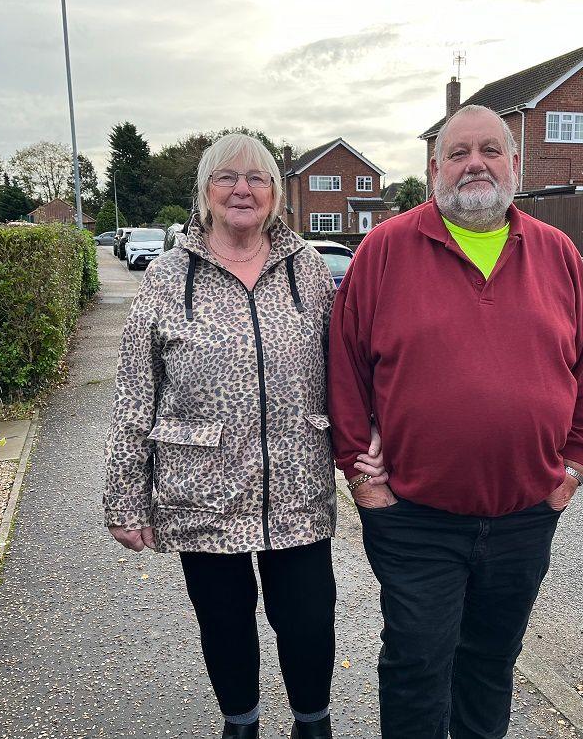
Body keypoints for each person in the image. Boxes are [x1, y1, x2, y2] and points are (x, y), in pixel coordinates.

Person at [327, 105, 583, 738]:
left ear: (516, 164)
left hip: (522, 519)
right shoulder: (385, 250)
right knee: (417, 662)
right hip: (414, 519)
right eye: (458, 153)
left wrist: (572, 467)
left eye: (490, 149)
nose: (475, 164)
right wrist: (362, 476)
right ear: (434, 168)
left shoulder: (557, 255)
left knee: (490, 663)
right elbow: (345, 369)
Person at [105, 133, 386, 739]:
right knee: (225, 622)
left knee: (309, 620)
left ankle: (313, 722)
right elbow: (134, 393)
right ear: (205, 192)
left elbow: (349, 364)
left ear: (276, 195)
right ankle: (241, 721)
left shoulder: (306, 268)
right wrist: (126, 500)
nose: (242, 189)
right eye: (226, 177)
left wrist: (371, 446)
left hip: (295, 489)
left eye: (257, 178)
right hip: (200, 490)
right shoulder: (168, 276)